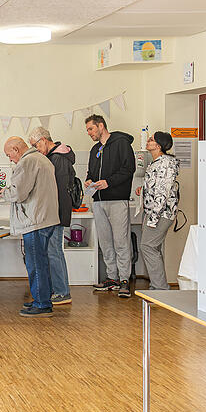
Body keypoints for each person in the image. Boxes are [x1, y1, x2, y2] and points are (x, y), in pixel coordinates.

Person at [1, 137, 60, 317]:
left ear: (16, 149)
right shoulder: (43, 159)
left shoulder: (27, 162)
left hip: (35, 221)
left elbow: (18, 193)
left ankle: (42, 304)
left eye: (9, 154)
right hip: (46, 218)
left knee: (36, 264)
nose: (10, 159)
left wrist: (4, 192)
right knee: (41, 262)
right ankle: (42, 299)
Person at [84, 114, 136, 299]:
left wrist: (109, 182)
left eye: (91, 129)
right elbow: (91, 171)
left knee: (121, 241)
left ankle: (124, 280)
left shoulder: (122, 144)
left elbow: (128, 169)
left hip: (117, 200)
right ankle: (112, 277)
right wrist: (89, 180)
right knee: (105, 242)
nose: (89, 133)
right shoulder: (95, 149)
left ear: (101, 126)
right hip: (98, 201)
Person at [29, 126, 75, 305]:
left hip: (55, 214)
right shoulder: (55, 157)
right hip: (53, 213)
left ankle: (63, 292)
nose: (35, 149)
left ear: (43, 140)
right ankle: (57, 289)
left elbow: (58, 191)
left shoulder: (58, 159)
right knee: (52, 252)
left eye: (35, 145)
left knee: (54, 252)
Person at [138, 131, 180, 290]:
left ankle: (160, 288)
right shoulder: (155, 163)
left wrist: (153, 218)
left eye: (151, 140)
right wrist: (143, 191)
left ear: (159, 145)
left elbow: (163, 192)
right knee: (152, 247)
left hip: (161, 214)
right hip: (154, 212)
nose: (147, 142)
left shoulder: (165, 164)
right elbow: (156, 187)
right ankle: (158, 287)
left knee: (147, 246)